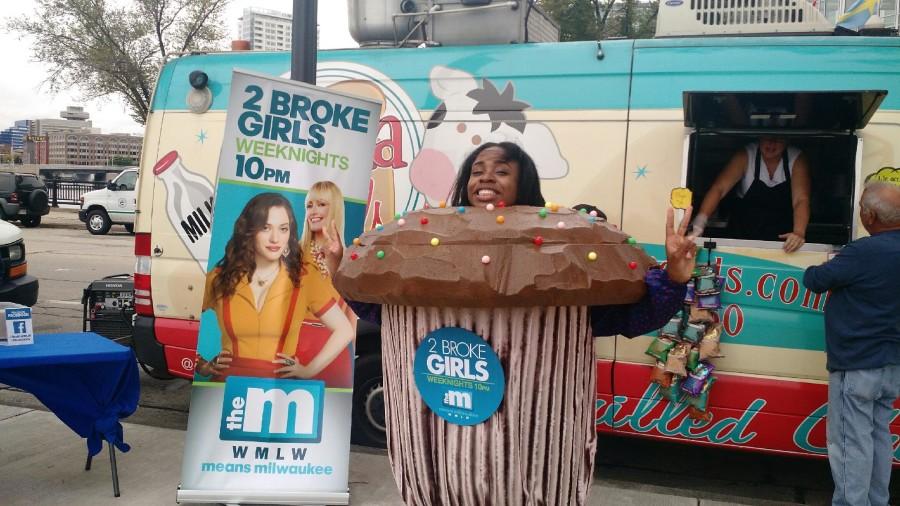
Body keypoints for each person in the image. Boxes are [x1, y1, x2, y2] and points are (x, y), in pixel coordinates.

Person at [348, 141, 697, 338]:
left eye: (501, 171)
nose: (486, 179)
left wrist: (674, 279)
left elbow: (630, 319)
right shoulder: (431, 240)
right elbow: (387, 313)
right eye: (478, 171)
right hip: (447, 410)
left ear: (523, 184)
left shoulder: (559, 253)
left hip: (531, 419)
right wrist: (338, 270)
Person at [802, 181, 900, 506]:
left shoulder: (863, 251)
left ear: (869, 215)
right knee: (879, 436)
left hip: (857, 364)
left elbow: (815, 280)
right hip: (892, 365)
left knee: (849, 444)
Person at [195, 192, 354, 381]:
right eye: (265, 228)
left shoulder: (304, 277)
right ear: (249, 231)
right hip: (226, 389)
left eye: (283, 229)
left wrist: (308, 370)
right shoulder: (219, 278)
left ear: (290, 233)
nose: (275, 238)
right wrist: (200, 364)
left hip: (281, 394)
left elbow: (345, 330)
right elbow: (181, 316)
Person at [277, 182, 357, 387]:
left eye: (321, 204)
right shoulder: (291, 252)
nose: (313, 211)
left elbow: (351, 322)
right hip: (292, 348)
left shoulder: (351, 259)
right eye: (309, 205)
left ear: (335, 208)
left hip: (333, 354)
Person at [692, 136, 811, 253]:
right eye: (767, 138)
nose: (771, 143)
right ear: (759, 138)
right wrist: (700, 221)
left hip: (781, 240)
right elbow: (719, 188)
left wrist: (798, 232)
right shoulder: (746, 155)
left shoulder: (796, 158)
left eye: (778, 139)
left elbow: (801, 199)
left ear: (787, 141)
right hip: (742, 233)